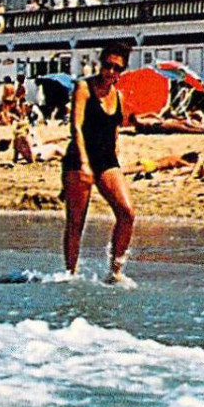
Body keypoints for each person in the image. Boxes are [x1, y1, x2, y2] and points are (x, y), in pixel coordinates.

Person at [60, 42, 137, 284]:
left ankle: (115, 271)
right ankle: (70, 275)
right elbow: (76, 127)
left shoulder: (120, 97)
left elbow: (115, 132)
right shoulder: (83, 87)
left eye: (117, 68)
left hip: (106, 159)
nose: (111, 72)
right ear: (100, 64)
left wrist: (116, 164)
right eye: (107, 66)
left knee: (127, 213)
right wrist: (83, 163)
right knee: (76, 222)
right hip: (79, 158)